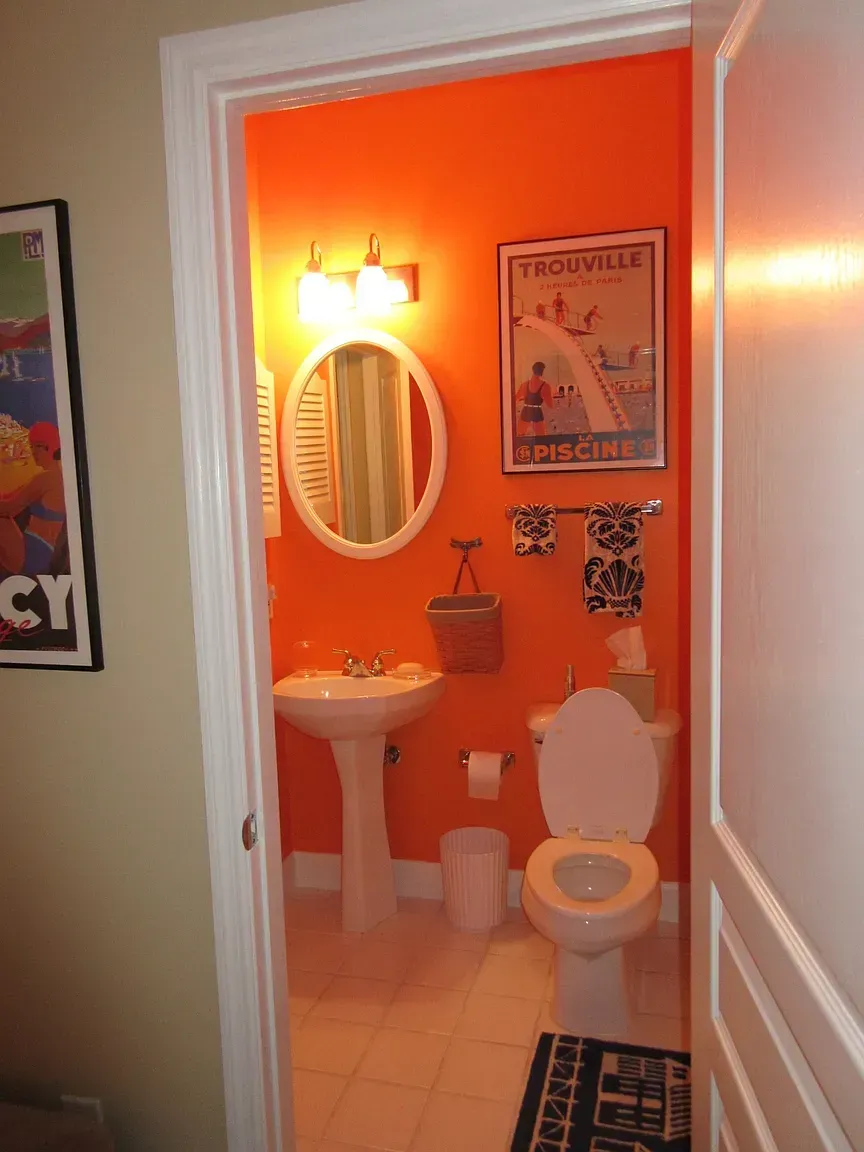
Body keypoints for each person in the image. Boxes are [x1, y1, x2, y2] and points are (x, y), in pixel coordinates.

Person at [0, 422, 66, 576]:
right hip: (44, 549)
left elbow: (10, 507)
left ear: (52, 447)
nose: (34, 452)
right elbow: (13, 497)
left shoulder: (46, 479)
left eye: (39, 446)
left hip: (40, 552)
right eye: (32, 447)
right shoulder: (53, 476)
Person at [515, 362, 553, 436]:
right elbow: (550, 405)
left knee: (519, 436)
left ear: (533, 370)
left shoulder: (524, 385)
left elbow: (515, 400)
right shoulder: (545, 386)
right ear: (542, 371)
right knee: (542, 439)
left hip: (526, 410)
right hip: (537, 411)